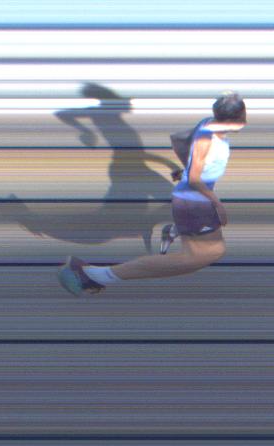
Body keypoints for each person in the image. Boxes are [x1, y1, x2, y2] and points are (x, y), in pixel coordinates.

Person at [58, 92, 247, 295]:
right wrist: (216, 203)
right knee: (196, 257)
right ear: (235, 119)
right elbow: (194, 178)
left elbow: (179, 140)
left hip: (194, 200)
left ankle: (174, 231)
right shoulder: (208, 140)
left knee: (214, 251)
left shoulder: (208, 123)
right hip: (195, 204)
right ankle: (92, 275)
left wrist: (188, 168)